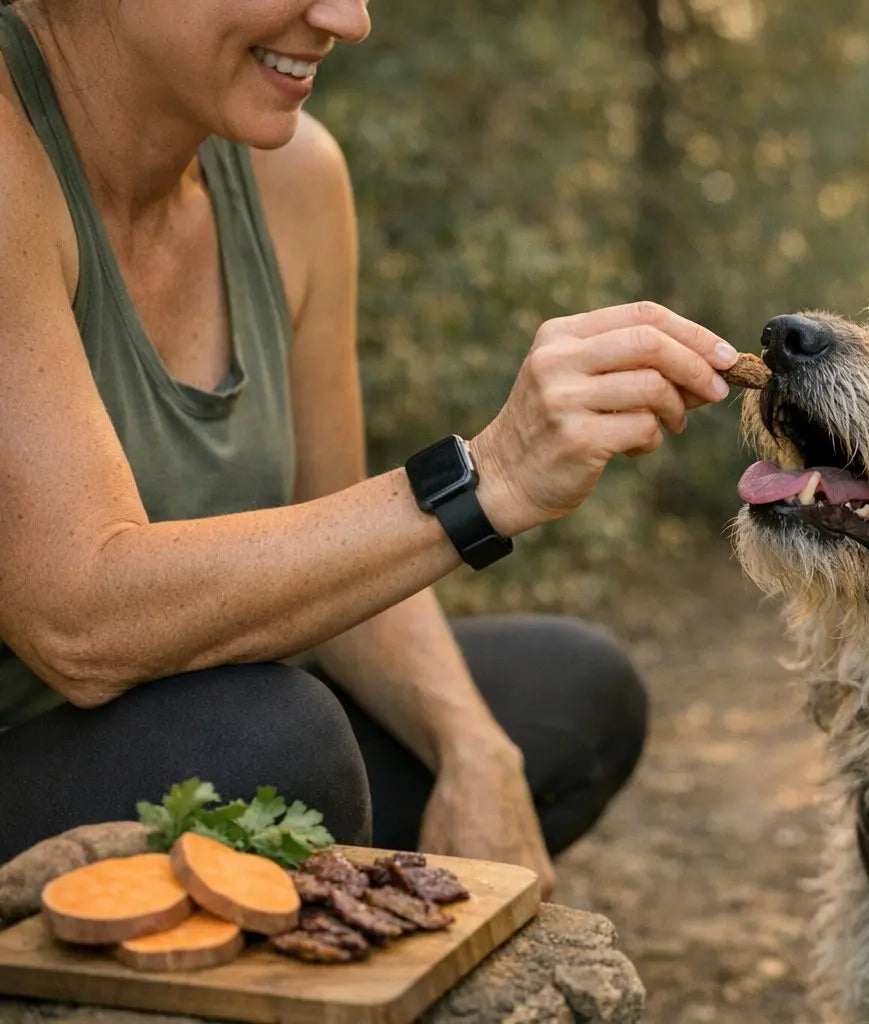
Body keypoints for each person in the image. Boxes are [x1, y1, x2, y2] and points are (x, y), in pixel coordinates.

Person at [0, 0, 740, 894]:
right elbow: (78, 621)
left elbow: (337, 524)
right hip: (46, 760)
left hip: (221, 724)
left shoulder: (293, 176)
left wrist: (473, 751)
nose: (348, 19)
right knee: (274, 745)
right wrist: (487, 478)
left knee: (572, 699)